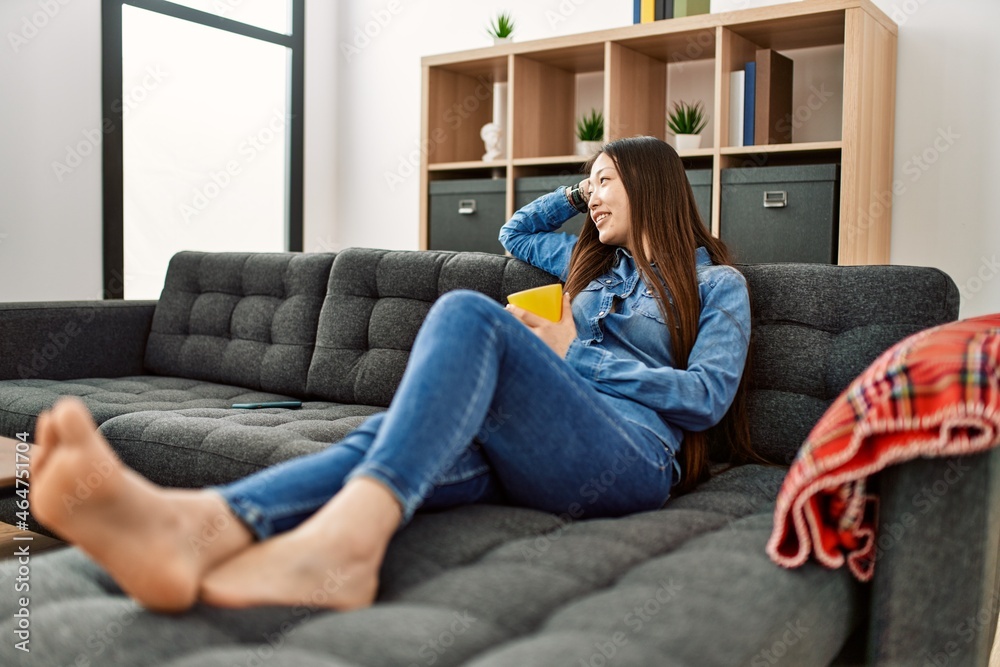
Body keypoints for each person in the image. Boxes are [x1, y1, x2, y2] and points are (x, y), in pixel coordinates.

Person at [28, 135, 754, 615]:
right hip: (550, 442)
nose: (592, 197)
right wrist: (572, 191)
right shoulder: (591, 264)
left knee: (468, 316)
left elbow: (707, 397)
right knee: (389, 438)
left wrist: (577, 352)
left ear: (653, 184)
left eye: (605, 181)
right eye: (588, 185)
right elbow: (515, 233)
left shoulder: (717, 284)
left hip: (633, 457)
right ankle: (192, 526)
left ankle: (348, 544)